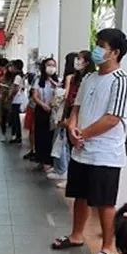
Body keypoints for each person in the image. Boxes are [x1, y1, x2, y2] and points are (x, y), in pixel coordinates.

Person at [52, 28, 127, 254]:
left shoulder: (121, 81)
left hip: (105, 153)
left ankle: (107, 247)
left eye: (101, 46)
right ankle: (77, 235)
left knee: (105, 202)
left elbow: (112, 118)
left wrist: (82, 134)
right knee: (80, 196)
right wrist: (72, 128)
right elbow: (76, 108)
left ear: (114, 52)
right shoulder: (89, 78)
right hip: (82, 150)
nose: (96, 50)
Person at [49, 50, 95, 186]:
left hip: (82, 117)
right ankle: (70, 177)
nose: (77, 61)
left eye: (79, 58)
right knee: (69, 146)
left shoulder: (90, 79)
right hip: (70, 114)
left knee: (76, 146)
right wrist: (65, 117)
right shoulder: (74, 78)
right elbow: (69, 99)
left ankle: (73, 178)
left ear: (87, 62)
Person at [31, 57, 58, 171]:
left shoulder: (58, 81)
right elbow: (35, 96)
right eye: (49, 65)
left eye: (53, 65)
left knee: (50, 136)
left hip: (53, 111)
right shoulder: (38, 80)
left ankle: (49, 161)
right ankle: (40, 160)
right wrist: (43, 105)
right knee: (40, 135)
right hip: (41, 110)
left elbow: (61, 94)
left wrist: (54, 84)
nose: (51, 68)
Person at [7, 59, 26, 144]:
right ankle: (17, 136)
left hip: (16, 100)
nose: (11, 68)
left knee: (16, 120)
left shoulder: (17, 77)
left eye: (12, 66)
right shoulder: (22, 76)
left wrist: (10, 97)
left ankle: (17, 136)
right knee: (16, 119)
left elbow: (15, 89)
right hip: (20, 99)